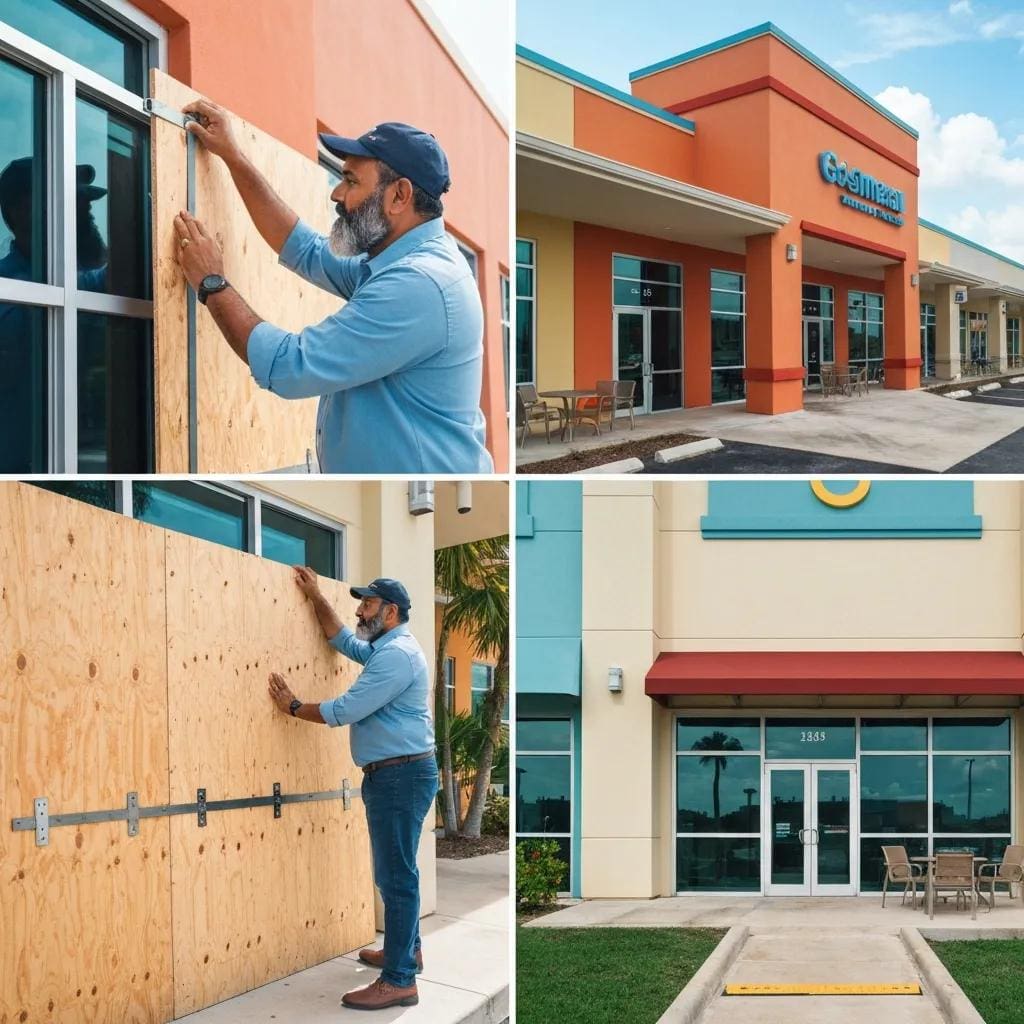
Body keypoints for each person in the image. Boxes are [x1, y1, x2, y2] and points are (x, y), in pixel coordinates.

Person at [172, 100, 493, 473]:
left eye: (351, 181)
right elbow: (304, 248)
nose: (336, 194)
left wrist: (212, 283)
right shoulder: (398, 258)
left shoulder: (419, 285)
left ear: (399, 196)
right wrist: (233, 156)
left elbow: (289, 366)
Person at [268, 570, 437, 1011]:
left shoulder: (397, 656)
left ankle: (400, 980)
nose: (359, 610)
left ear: (391, 611)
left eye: (367, 604)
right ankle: (408, 951)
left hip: (400, 777)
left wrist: (291, 706)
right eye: (360, 603)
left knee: (396, 878)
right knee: (396, 873)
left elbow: (344, 710)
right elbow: (345, 641)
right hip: (398, 773)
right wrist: (315, 597)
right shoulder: (386, 649)